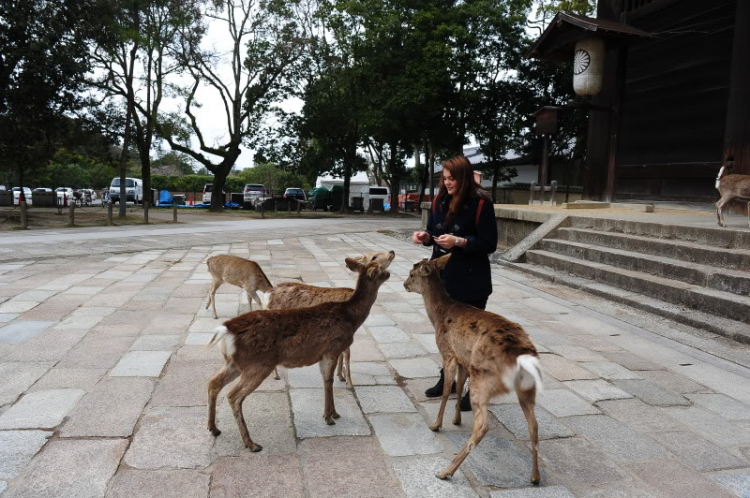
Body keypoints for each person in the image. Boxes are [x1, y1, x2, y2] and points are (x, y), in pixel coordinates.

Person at [411, 155, 498, 410]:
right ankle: (446, 379)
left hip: (471, 281)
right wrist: (425, 236)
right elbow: (434, 233)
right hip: (442, 283)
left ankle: (475, 388)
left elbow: (488, 244)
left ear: (464, 178)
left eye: (452, 179)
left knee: (470, 339)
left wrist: (459, 242)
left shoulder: (481, 203)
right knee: (446, 336)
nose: (448, 183)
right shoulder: (440, 200)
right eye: (445, 178)